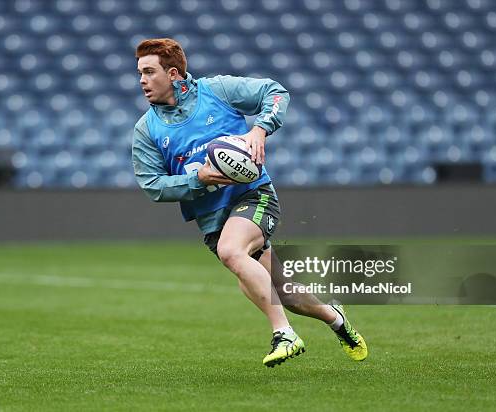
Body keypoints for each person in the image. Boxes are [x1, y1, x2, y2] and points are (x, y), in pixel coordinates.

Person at [132, 38, 367, 367]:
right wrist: (196, 180)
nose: (141, 80)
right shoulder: (147, 130)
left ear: (173, 74)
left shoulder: (217, 91)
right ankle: (337, 320)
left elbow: (276, 91)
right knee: (283, 292)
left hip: (254, 195)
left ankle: (284, 333)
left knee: (232, 252)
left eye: (148, 72)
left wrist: (259, 129)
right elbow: (151, 184)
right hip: (213, 220)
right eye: (139, 73)